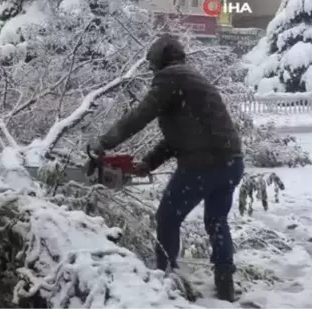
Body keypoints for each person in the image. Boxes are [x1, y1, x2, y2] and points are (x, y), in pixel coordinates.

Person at [87, 34, 243, 302]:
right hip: (231, 163)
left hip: (201, 166)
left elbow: (139, 116)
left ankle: (165, 281)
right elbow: (183, 134)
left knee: (167, 218)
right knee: (216, 221)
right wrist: (149, 162)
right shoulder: (195, 81)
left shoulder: (169, 78)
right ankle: (225, 281)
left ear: (159, 61)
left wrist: (104, 142)